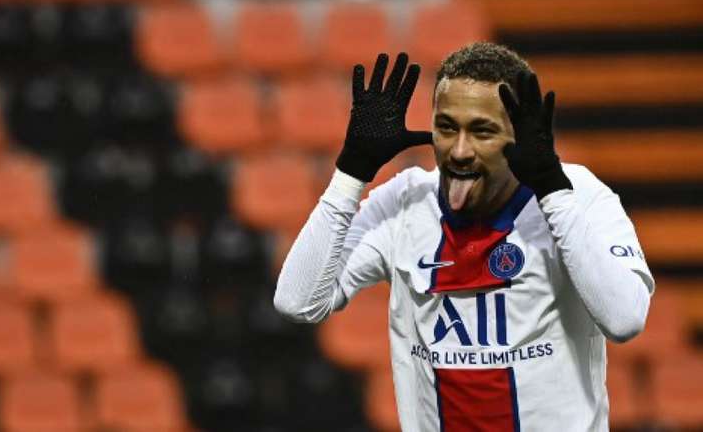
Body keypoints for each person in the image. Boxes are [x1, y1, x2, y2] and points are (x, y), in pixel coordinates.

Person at [273, 43, 654, 431]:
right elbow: (297, 301)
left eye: (481, 131)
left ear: (519, 135)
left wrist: (552, 190)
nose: (459, 151)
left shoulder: (577, 197)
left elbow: (624, 319)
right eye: (446, 127)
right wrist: (350, 171)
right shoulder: (405, 203)